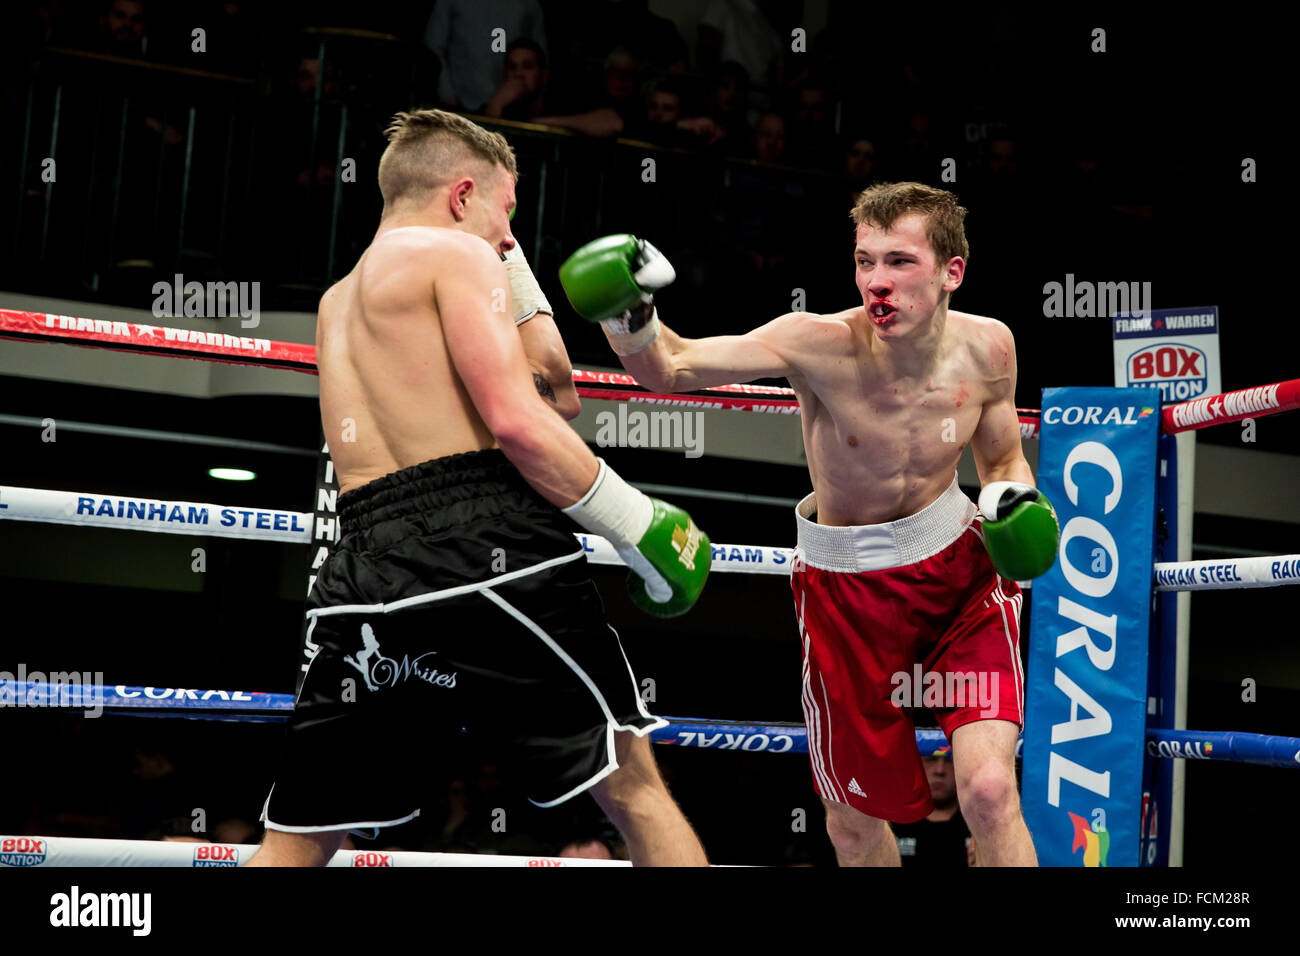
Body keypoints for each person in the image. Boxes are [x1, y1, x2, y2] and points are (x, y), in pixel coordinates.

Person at [247, 109, 710, 867]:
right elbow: (527, 422)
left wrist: (507, 255)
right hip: (484, 536)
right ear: (462, 195)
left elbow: (552, 389)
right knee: (632, 786)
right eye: (506, 212)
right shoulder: (458, 261)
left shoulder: (335, 303)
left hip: (363, 564)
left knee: (300, 838)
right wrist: (638, 523)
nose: (507, 238)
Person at [558, 182, 1060, 867]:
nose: (876, 283)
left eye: (899, 262)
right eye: (864, 261)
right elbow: (671, 369)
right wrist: (628, 314)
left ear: (952, 272)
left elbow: (1002, 456)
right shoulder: (816, 342)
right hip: (846, 591)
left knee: (991, 789)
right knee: (853, 822)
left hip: (957, 581)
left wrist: (1013, 501)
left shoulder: (989, 348)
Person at [891, 749, 974, 867]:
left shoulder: (980, 822)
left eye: (949, 760)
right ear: (916, 763)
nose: (939, 770)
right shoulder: (892, 821)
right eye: (931, 760)